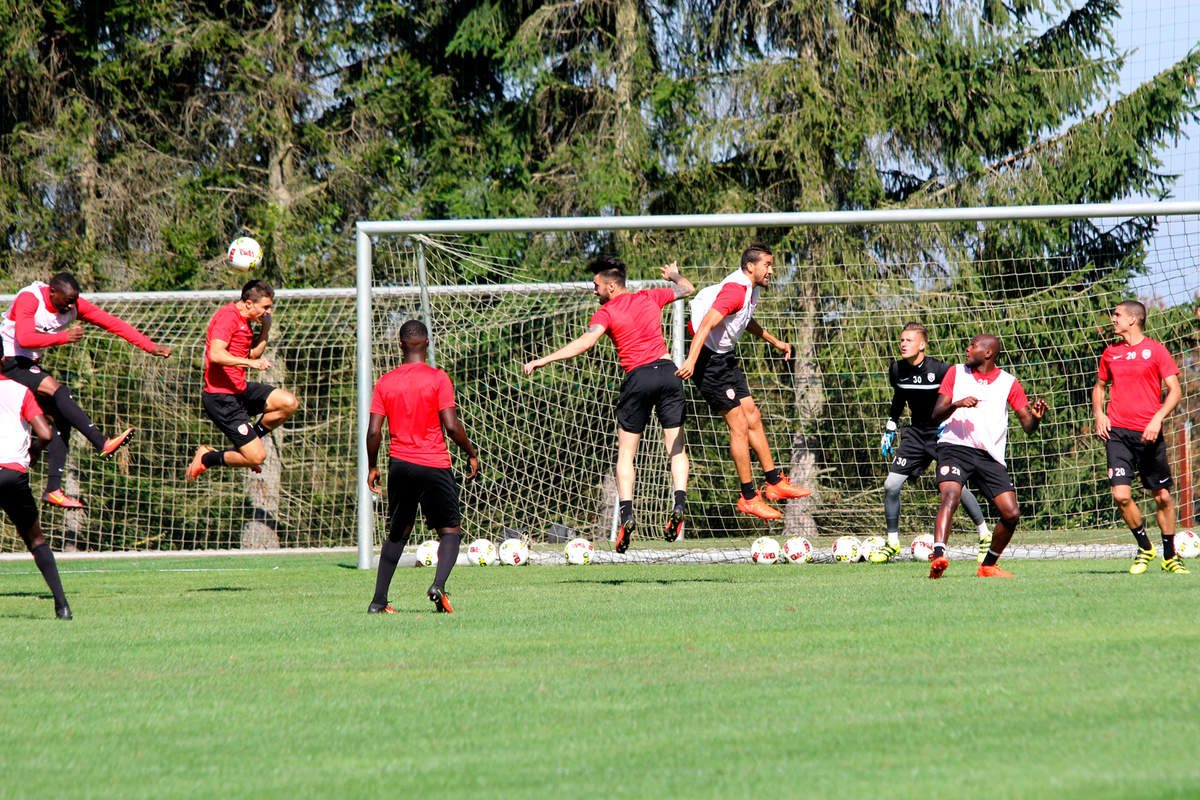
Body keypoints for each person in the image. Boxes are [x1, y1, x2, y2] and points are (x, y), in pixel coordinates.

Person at [524, 257, 694, 552]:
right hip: (669, 373)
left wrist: (545, 359)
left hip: (638, 378)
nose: (594, 290)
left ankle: (627, 514)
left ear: (611, 286)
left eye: (596, 285)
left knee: (626, 453)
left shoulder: (607, 311)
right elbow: (687, 288)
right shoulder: (650, 296)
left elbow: (586, 343)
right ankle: (679, 503)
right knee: (676, 447)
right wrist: (674, 275)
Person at [0, 272, 171, 508]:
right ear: (52, 292)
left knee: (62, 415)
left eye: (74, 300)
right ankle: (101, 442)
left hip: (28, 365)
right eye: (66, 300)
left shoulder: (73, 305)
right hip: (8, 362)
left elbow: (112, 323)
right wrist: (64, 337)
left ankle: (53, 489)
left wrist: (150, 346)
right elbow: (25, 337)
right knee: (61, 392)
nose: (70, 305)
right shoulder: (30, 299)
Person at [675, 243, 810, 520]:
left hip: (724, 357)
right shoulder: (735, 290)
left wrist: (775, 341)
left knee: (753, 415)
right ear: (750, 267)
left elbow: (743, 320)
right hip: (708, 361)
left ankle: (774, 482)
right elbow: (707, 325)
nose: (771, 271)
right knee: (738, 424)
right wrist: (690, 360)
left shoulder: (751, 289)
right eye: (767, 265)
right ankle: (748, 497)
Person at [366, 320, 480, 614]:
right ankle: (438, 586)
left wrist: (372, 466)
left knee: (398, 533)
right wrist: (470, 452)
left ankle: (378, 601)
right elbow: (452, 427)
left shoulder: (385, 382)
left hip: (400, 465)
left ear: (400, 345)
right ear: (427, 343)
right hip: (433, 464)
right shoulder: (438, 378)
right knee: (450, 531)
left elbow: (373, 432)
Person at [928, 334, 1048, 579]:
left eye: (972, 345)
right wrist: (957, 404)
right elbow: (936, 414)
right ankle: (939, 554)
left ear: (988, 353)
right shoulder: (956, 373)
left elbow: (1027, 427)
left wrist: (1035, 418)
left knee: (1011, 513)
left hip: (988, 455)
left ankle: (988, 565)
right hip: (954, 447)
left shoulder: (1009, 383)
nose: (967, 348)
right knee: (950, 496)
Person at [872, 322, 991, 563]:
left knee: (955, 486)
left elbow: (959, 396)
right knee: (891, 485)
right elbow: (899, 397)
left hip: (943, 432)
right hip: (915, 434)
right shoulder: (896, 369)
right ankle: (893, 543)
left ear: (922, 344)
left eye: (909, 340)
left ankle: (984, 534)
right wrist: (891, 424)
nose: (903, 344)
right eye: (902, 340)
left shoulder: (942, 370)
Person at [1092, 301, 1187, 575]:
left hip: (1149, 433)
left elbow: (1175, 390)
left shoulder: (1156, 350)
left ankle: (1170, 555)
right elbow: (1099, 387)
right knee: (1121, 495)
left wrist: (1157, 418)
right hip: (1117, 433)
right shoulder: (1110, 353)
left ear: (1133, 320)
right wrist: (1099, 413)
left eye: (1117, 315)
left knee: (1163, 498)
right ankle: (1145, 546)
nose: (1113, 319)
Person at [187, 280, 298, 480]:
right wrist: (250, 364)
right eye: (265, 307)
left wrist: (266, 329)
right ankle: (207, 458)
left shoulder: (246, 321)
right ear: (248, 304)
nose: (268, 311)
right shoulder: (228, 318)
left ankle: (247, 442)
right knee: (257, 457)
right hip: (221, 398)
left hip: (239, 389)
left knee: (288, 403)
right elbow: (216, 355)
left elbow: (253, 353)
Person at [0, 373, 71, 618]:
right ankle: (62, 606)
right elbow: (46, 433)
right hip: (12, 474)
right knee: (36, 540)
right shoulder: (20, 391)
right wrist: (34, 452)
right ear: (3, 360)